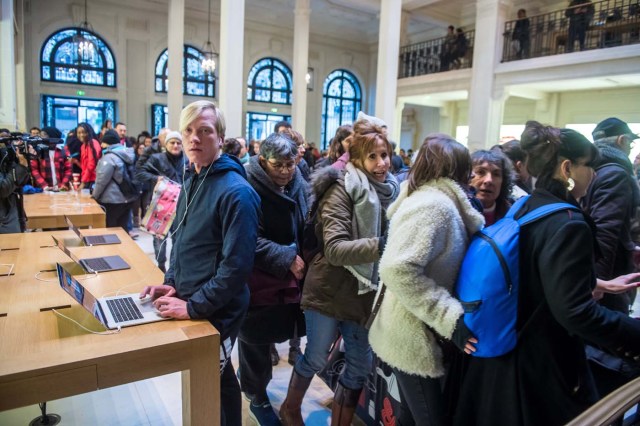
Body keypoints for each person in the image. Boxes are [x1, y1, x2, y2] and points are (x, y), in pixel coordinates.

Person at [454, 121, 640, 426]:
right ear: (566, 168)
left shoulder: (525, 206)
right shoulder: (569, 222)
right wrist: (633, 334)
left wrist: (593, 283)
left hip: (503, 353)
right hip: (540, 368)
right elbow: (575, 313)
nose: (593, 174)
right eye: (588, 165)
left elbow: (534, 273)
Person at [140, 100, 260, 426]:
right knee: (218, 377)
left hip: (220, 307)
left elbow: (235, 269)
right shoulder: (193, 177)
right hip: (194, 295)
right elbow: (182, 240)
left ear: (220, 138)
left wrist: (193, 307)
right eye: (189, 130)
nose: (194, 138)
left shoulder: (237, 193)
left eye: (204, 131)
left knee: (213, 379)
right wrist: (172, 282)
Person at [279, 121, 399, 426]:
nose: (381, 163)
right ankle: (290, 408)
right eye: (372, 156)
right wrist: (383, 245)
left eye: (384, 154)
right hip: (329, 290)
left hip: (363, 294)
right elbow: (334, 248)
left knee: (360, 364)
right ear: (357, 158)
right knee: (317, 356)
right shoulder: (341, 188)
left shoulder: (392, 191)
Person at [369, 134, 484, 426]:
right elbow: (397, 269)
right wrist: (448, 316)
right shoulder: (433, 206)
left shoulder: (433, 201)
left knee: (410, 416)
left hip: (414, 329)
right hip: (412, 335)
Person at [239, 132, 308, 425]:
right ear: (262, 160)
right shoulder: (245, 183)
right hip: (259, 279)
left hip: (293, 279)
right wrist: (285, 257)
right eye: (277, 164)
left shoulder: (298, 179)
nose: (284, 171)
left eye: (290, 164)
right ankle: (256, 396)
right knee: (254, 340)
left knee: (284, 332)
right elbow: (243, 237)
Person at [137, 131, 187, 272]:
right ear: (166, 144)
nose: (176, 145)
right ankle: (160, 266)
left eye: (178, 143)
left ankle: (172, 269)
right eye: (172, 142)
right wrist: (155, 179)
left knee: (178, 240)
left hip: (180, 207)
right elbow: (140, 173)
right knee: (159, 239)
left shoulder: (187, 161)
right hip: (160, 207)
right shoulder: (156, 158)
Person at [91, 129, 137, 230]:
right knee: (123, 229)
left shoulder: (108, 158)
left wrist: (95, 196)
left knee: (111, 229)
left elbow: (101, 181)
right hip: (127, 197)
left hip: (112, 200)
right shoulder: (128, 154)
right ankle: (125, 246)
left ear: (105, 142)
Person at [469, 149, 515, 225]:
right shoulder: (456, 211)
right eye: (481, 172)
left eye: (496, 174)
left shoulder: (513, 214)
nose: (489, 180)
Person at [0, 139, 31, 233]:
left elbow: (20, 183)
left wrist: (20, 162)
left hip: (13, 215)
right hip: (5, 222)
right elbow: (3, 189)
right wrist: (21, 166)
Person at [30, 126, 72, 191]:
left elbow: (69, 169)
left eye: (44, 135)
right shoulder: (38, 150)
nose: (41, 137)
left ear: (51, 136)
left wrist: (64, 184)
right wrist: (44, 186)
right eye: (41, 135)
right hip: (44, 189)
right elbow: (34, 170)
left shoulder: (65, 151)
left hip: (62, 189)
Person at [75, 122, 102, 191]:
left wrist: (83, 182)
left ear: (88, 132)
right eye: (79, 133)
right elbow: (85, 167)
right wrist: (75, 162)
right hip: (87, 180)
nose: (81, 135)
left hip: (94, 181)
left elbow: (91, 165)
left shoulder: (93, 143)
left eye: (83, 132)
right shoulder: (82, 146)